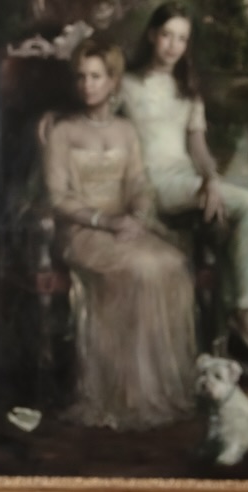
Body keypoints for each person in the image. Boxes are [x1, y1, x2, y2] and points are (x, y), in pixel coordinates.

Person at [123, 2, 248, 361]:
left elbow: (198, 148)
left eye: (181, 39)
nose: (173, 45)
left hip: (184, 177)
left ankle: (239, 309)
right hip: (151, 182)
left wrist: (212, 180)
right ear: (152, 35)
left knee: (238, 209)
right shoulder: (127, 84)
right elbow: (98, 121)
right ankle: (244, 311)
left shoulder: (188, 90)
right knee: (247, 203)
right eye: (167, 35)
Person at [43, 39, 197, 431]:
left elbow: (139, 184)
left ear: (113, 81)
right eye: (81, 77)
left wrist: (138, 214)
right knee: (142, 268)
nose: (87, 85)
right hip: (82, 231)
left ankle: (149, 390)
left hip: (125, 227)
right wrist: (105, 221)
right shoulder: (63, 131)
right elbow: (58, 198)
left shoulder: (127, 131)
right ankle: (117, 394)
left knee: (171, 263)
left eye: (96, 76)